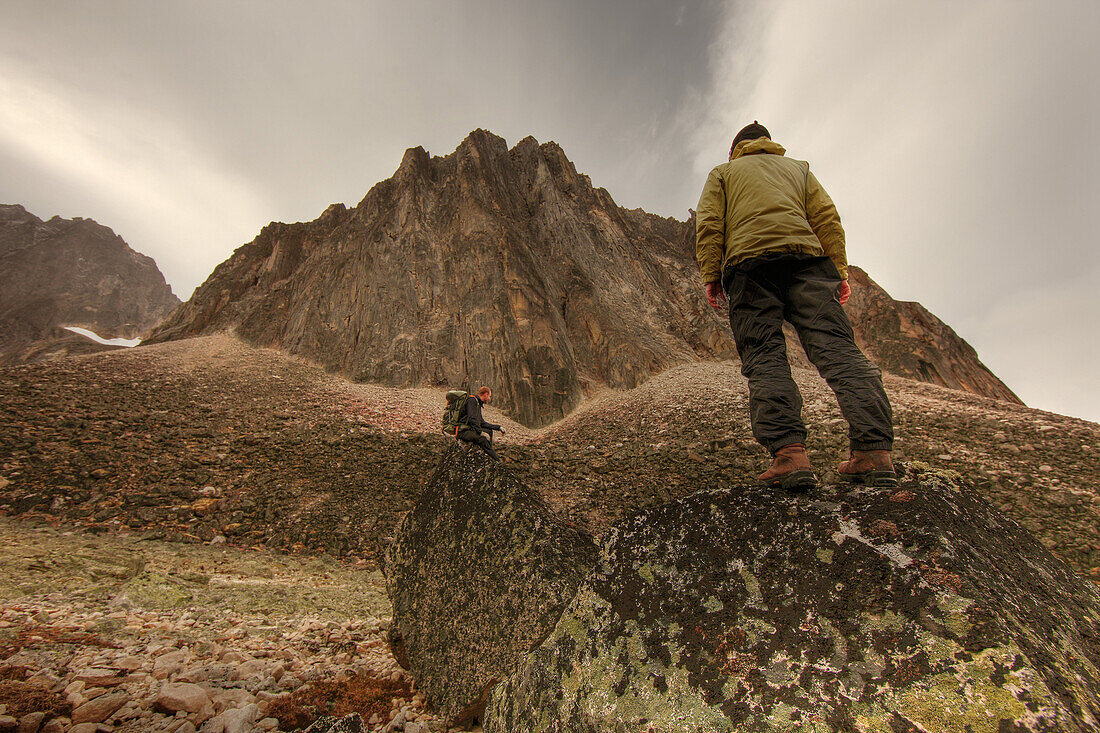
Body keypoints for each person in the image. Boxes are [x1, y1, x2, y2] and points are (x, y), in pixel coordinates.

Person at [695, 121, 896, 490]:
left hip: (749, 267)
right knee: (839, 351)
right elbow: (826, 218)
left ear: (735, 149)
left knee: (765, 356)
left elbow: (710, 222)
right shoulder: (799, 169)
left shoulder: (723, 172)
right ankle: (874, 453)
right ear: (769, 144)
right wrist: (838, 270)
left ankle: (790, 456)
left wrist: (711, 273)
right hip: (807, 263)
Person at [457, 386, 503, 460]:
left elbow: (482, 423)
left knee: (488, 431)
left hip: (469, 429)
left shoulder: (477, 403)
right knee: (482, 439)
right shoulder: (472, 400)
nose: (489, 399)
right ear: (485, 394)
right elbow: (472, 419)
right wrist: (480, 432)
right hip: (462, 431)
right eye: (489, 396)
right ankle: (496, 460)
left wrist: (498, 427)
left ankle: (488, 454)